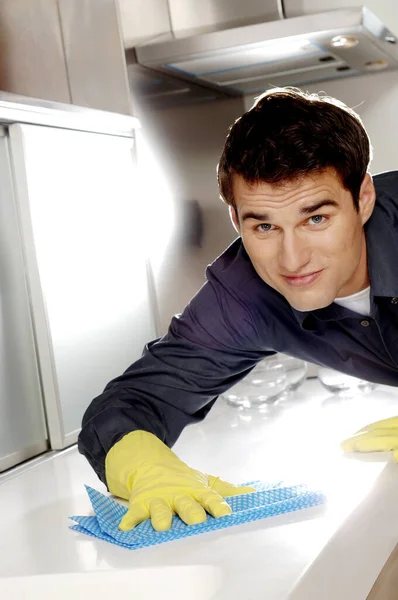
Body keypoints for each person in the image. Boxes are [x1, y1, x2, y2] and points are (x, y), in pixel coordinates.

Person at [78, 87, 398, 533]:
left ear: (362, 198)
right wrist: (143, 463)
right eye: (264, 225)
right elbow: (136, 400)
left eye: (316, 219)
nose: (292, 260)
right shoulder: (246, 293)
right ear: (235, 220)